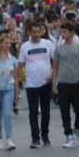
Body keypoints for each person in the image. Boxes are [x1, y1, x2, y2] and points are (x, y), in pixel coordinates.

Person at [52, 20, 79, 149]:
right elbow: (55, 68)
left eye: (65, 31)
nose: (63, 34)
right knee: (64, 111)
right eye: (61, 31)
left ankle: (77, 129)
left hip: (77, 83)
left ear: (72, 33)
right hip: (63, 84)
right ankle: (68, 135)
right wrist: (54, 84)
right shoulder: (58, 49)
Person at [18, 20, 54, 148]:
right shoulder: (25, 46)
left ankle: (45, 135)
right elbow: (20, 65)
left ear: (42, 31)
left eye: (38, 32)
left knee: (46, 111)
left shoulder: (48, 44)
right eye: (33, 32)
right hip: (31, 84)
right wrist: (22, 78)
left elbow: (55, 61)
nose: (36, 34)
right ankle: (35, 138)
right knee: (33, 112)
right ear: (29, 32)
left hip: (46, 82)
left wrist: (53, 76)